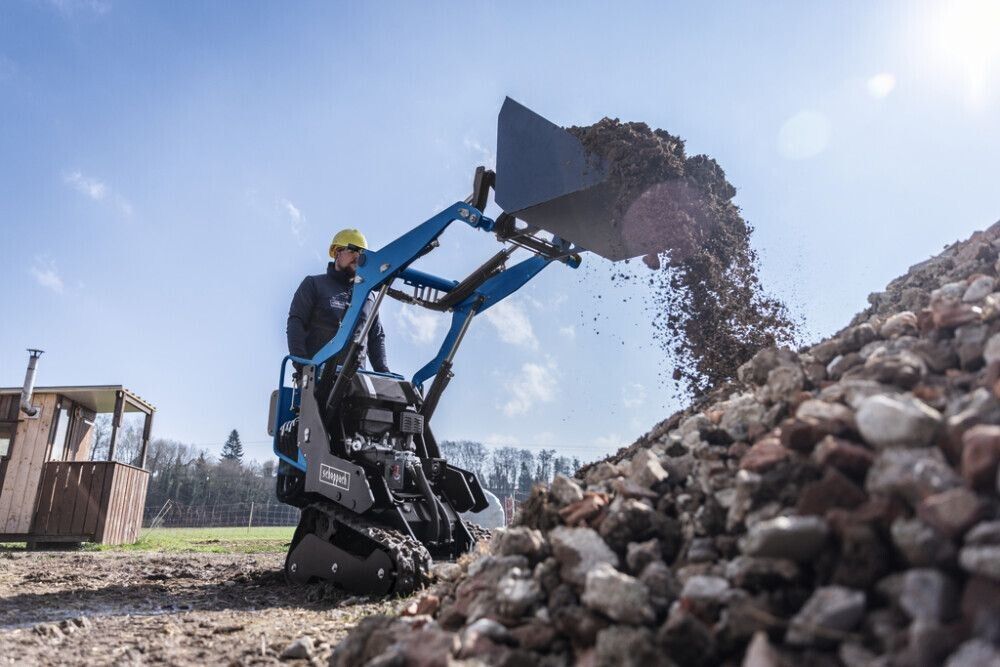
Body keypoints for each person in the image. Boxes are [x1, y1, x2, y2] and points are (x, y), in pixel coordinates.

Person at [286, 228, 389, 373]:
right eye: (352, 250)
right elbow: (296, 322)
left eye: (361, 253)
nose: (357, 257)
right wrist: (302, 366)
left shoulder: (368, 297)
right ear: (337, 252)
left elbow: (376, 338)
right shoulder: (314, 284)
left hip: (355, 381)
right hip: (317, 377)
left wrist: (384, 372)